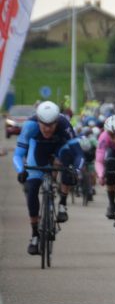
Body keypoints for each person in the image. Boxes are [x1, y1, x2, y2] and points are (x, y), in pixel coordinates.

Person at [13, 101, 84, 255]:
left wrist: (76, 170)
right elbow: (17, 155)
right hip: (39, 150)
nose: (47, 128)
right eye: (44, 124)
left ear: (57, 121)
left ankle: (62, 204)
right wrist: (21, 170)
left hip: (60, 148)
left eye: (51, 125)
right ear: (38, 121)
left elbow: (79, 154)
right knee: (32, 189)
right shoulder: (30, 126)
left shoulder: (64, 125)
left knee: (68, 163)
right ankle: (34, 235)